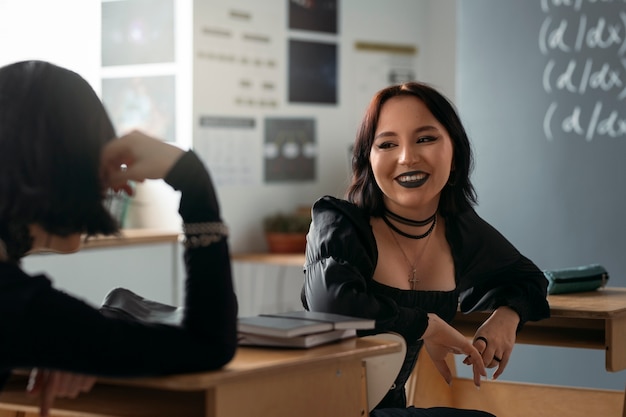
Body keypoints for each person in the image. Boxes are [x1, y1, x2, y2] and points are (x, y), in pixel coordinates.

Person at [0, 60, 238, 416]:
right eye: (97, 155)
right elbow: (208, 344)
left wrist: (62, 341)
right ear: (65, 162)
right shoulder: (19, 308)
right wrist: (191, 178)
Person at [302, 81, 550, 417]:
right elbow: (336, 303)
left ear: (455, 151)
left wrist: (507, 317)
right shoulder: (339, 223)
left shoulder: (459, 229)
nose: (407, 157)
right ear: (368, 160)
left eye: (425, 139)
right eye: (387, 144)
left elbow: (529, 278)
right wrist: (426, 325)